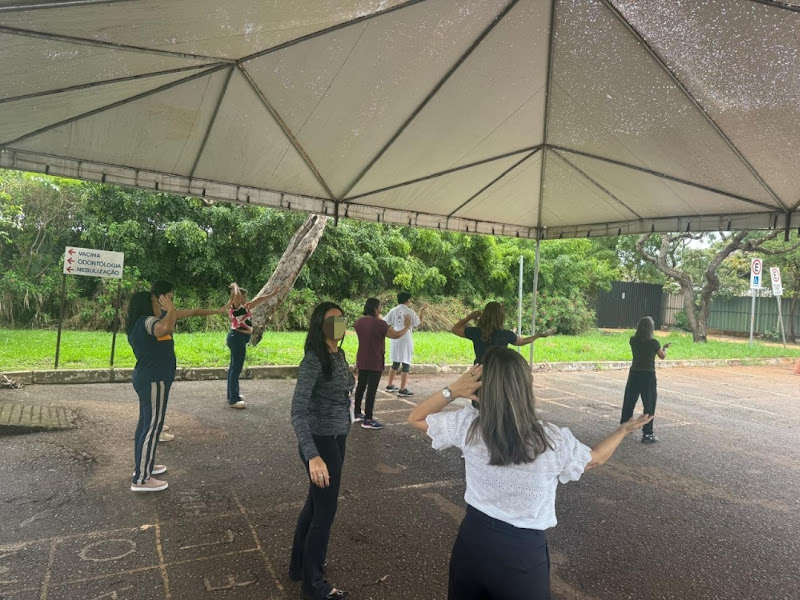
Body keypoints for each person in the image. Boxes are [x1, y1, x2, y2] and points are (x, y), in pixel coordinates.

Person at [407, 347, 653, 600]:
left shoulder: (469, 425)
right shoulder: (551, 439)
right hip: (522, 551)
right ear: (526, 386)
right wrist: (622, 431)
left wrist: (453, 390)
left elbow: (416, 418)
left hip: (473, 540)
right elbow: (595, 458)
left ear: (481, 386)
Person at [289, 302, 354, 600]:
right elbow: (297, 411)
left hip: (337, 436)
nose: (339, 324)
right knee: (325, 511)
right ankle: (314, 586)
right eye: (332, 320)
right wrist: (312, 455)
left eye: (342, 319)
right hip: (321, 442)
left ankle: (300, 566)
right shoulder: (314, 360)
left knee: (315, 504)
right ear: (319, 325)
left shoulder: (337, 354)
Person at [148, 280, 225, 443]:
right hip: (157, 360)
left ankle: (158, 424)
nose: (172, 297)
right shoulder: (151, 314)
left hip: (166, 358)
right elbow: (163, 329)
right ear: (162, 296)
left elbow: (195, 311)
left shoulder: (168, 311)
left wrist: (218, 311)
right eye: (170, 294)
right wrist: (170, 311)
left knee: (162, 395)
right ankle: (155, 430)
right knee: (157, 396)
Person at [126, 290, 176, 492]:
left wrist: (169, 310)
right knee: (152, 427)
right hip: (154, 380)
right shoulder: (147, 321)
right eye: (156, 301)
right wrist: (170, 308)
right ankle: (142, 479)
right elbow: (165, 327)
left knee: (146, 424)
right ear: (147, 304)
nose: (159, 304)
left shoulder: (142, 322)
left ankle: (144, 466)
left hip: (151, 379)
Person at [353, 297, 412, 429]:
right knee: (371, 389)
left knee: (361, 386)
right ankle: (368, 419)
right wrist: (407, 326)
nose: (381, 309)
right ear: (375, 308)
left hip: (362, 358)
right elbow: (396, 335)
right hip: (375, 360)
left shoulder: (359, 322)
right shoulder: (380, 324)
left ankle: (357, 412)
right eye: (380, 306)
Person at [226, 282, 281, 409]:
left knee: (234, 367)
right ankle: (233, 400)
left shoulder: (245, 307)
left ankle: (232, 395)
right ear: (236, 297)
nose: (245, 299)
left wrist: (272, 294)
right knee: (236, 369)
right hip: (237, 338)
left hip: (238, 338)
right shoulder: (236, 307)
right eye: (242, 297)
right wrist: (235, 287)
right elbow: (237, 297)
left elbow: (259, 300)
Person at [451, 301, 553, 364]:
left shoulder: (476, 332)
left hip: (479, 371)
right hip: (499, 371)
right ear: (501, 317)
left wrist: (469, 317)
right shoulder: (506, 334)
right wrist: (538, 335)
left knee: (479, 398)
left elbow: (455, 329)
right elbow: (523, 341)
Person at [621, 316, 670, 444]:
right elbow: (662, 356)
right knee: (649, 403)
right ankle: (647, 433)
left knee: (629, 401)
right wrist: (665, 348)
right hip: (648, 375)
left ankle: (624, 426)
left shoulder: (633, 340)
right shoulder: (654, 343)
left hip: (634, 373)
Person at [384, 291, 427, 397]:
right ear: (407, 300)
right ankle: (402, 389)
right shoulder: (410, 312)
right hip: (405, 338)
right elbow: (419, 324)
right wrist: (422, 311)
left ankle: (389, 385)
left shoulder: (393, 310)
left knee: (395, 362)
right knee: (406, 363)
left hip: (394, 336)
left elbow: (384, 322)